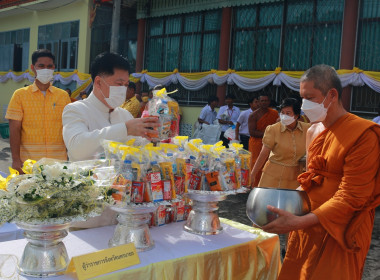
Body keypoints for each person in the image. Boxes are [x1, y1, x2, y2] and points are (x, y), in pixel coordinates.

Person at [261, 65, 380, 280]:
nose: (304, 105)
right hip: (307, 223)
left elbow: (352, 196)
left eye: (309, 97)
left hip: (340, 228)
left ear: (331, 95)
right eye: (302, 97)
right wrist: (281, 207)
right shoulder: (313, 130)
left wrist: (299, 222)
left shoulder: (363, 134)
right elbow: (309, 178)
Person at [62, 52, 159, 162]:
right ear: (98, 82)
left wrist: (154, 137)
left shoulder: (124, 114)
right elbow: (77, 149)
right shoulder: (75, 110)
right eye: (119, 84)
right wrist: (124, 129)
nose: (123, 90)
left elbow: (138, 148)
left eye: (126, 85)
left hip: (123, 178)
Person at [6, 49, 71, 173]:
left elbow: (68, 127)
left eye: (49, 66)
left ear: (54, 68)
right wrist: (15, 159)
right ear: (33, 68)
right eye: (41, 66)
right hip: (29, 162)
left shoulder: (63, 96)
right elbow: (14, 130)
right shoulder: (20, 95)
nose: (45, 69)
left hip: (57, 163)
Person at [250, 98, 310, 189]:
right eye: (282, 112)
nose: (284, 116)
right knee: (268, 201)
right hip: (273, 175)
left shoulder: (307, 129)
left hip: (295, 177)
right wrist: (253, 174)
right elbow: (264, 153)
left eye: (288, 113)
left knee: (291, 202)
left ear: (297, 115)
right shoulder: (273, 129)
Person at [248, 94, 278, 185]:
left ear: (269, 102)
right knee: (256, 164)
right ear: (258, 102)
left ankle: (267, 185)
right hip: (257, 144)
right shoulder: (253, 115)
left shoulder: (274, 113)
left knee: (269, 164)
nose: (264, 103)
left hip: (271, 143)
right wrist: (268, 134)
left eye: (266, 100)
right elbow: (252, 132)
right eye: (262, 101)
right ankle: (255, 185)